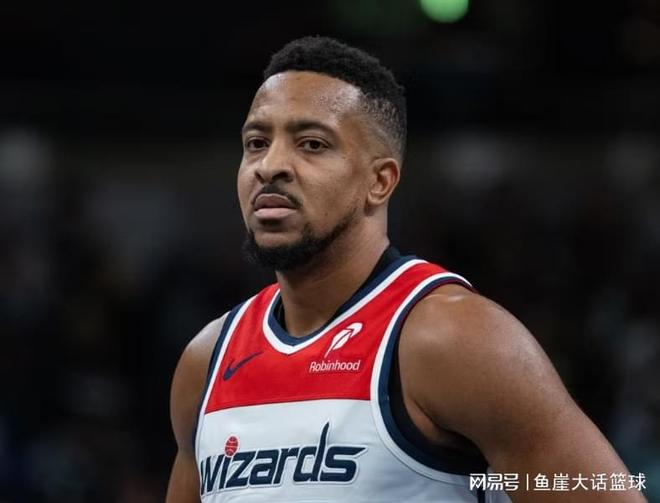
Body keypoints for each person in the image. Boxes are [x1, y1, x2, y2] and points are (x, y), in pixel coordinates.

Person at [166, 36, 646, 502]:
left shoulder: (453, 339)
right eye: (256, 142)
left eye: (311, 144)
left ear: (380, 181)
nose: (270, 165)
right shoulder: (205, 362)